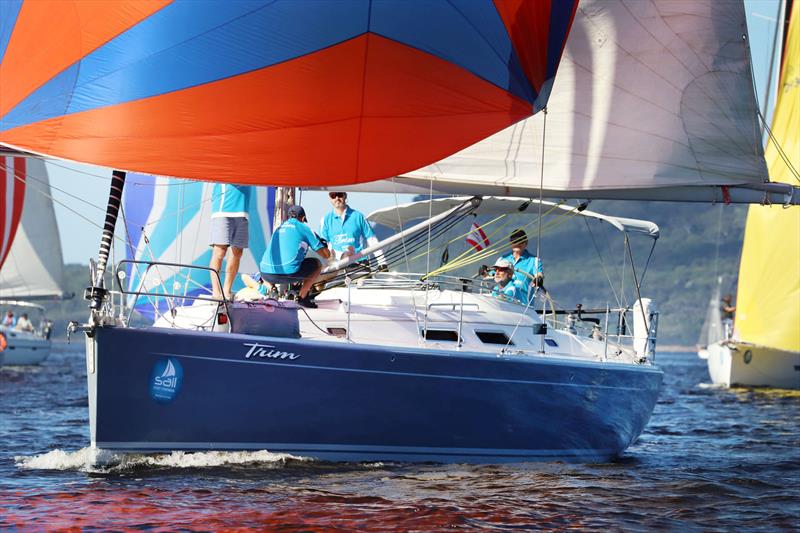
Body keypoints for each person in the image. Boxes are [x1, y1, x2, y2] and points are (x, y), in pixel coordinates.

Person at [260, 205, 331, 308]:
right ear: (302, 218)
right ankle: (302, 297)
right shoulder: (304, 227)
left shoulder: (278, 228)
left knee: (265, 265)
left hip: (266, 275)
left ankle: (272, 289)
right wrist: (323, 244)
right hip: (290, 274)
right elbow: (326, 255)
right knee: (317, 264)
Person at [209, 183, 253, 301]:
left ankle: (227, 291)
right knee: (220, 252)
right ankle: (216, 292)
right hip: (222, 210)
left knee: (237, 253)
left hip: (242, 212)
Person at [319, 192, 386, 268]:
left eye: (340, 194)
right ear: (330, 198)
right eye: (333, 196)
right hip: (337, 266)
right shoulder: (325, 220)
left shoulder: (359, 216)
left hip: (360, 264)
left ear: (345, 196)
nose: (337, 198)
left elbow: (372, 240)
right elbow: (323, 247)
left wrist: (382, 262)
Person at [499, 229, 544, 303]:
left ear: (526, 243)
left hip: (522, 307)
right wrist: (485, 271)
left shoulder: (533, 260)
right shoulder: (502, 259)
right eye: (515, 241)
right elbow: (492, 275)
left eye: (521, 241)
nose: (517, 243)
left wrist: (539, 279)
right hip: (501, 302)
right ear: (511, 242)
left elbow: (539, 274)